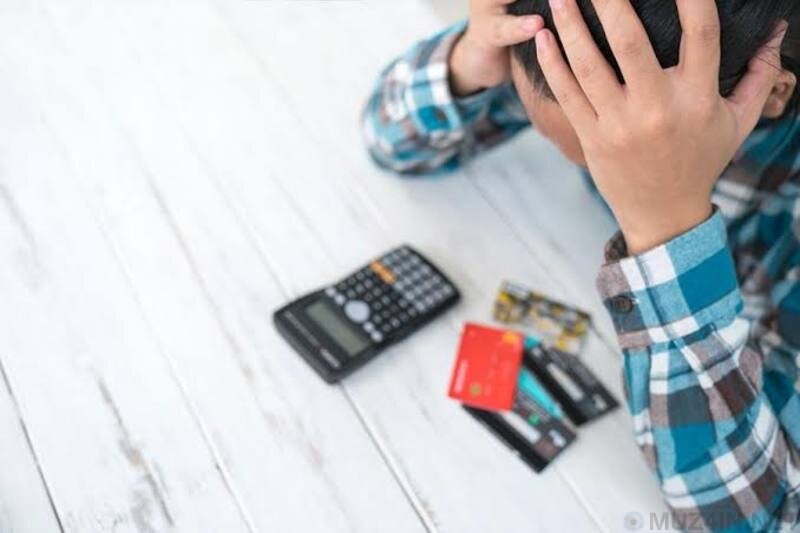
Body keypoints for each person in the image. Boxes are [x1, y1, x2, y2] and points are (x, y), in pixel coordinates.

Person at [362, 0, 800, 531]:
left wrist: (666, 227)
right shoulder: (589, 44)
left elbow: (765, 519)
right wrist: (468, 63)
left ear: (771, 92)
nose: (602, 172)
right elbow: (390, 142)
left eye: (613, 156)